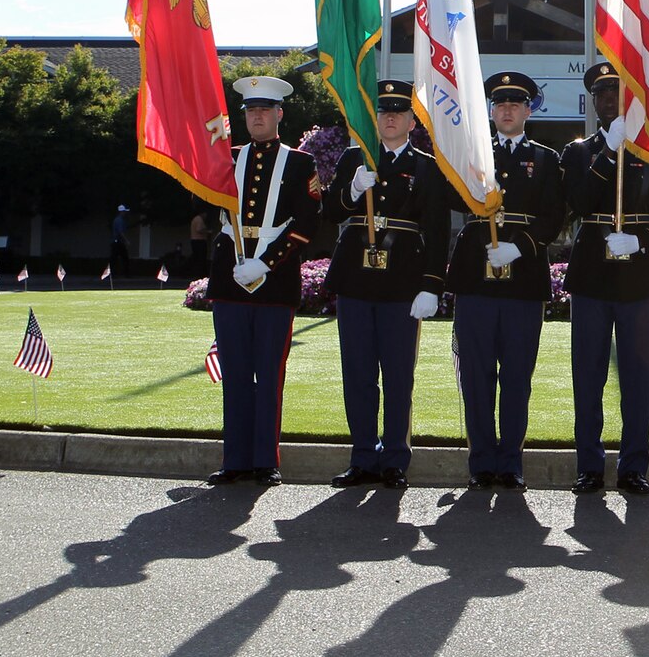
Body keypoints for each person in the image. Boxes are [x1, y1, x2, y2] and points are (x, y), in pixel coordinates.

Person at [560, 60, 649, 495]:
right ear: (593, 103)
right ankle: (589, 466)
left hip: (637, 275)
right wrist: (608, 155)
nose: (610, 101)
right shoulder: (577, 153)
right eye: (603, 95)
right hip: (592, 272)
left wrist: (644, 242)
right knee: (587, 375)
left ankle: (633, 467)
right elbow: (577, 201)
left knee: (636, 375)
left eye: (618, 93)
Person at [323, 79, 451, 490]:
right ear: (373, 118)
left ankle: (395, 458)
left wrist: (432, 284)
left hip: (402, 283)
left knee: (398, 376)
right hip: (356, 280)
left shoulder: (428, 166)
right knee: (357, 373)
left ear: (413, 121)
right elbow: (329, 211)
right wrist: (351, 188)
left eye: (398, 112)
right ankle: (363, 456)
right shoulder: (353, 158)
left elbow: (437, 228)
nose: (390, 117)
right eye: (383, 111)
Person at [445, 71, 568, 490]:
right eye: (500, 104)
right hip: (476, 275)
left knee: (517, 374)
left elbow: (556, 215)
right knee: (476, 374)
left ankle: (511, 461)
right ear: (491, 111)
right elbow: (447, 196)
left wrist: (523, 245)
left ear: (528, 110)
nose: (507, 110)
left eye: (515, 103)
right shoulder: (472, 155)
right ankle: (481, 462)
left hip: (522, 276)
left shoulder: (548, 159)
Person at [205, 75, 321, 487]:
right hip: (230, 279)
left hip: (274, 282)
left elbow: (307, 224)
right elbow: (202, 203)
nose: (257, 116)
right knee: (235, 372)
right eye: (251, 111)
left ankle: (264, 461)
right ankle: (234, 459)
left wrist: (267, 262)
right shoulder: (224, 158)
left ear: (279, 115)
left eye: (264, 110)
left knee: (269, 374)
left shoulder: (301, 163)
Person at [109, 204, 131, 276]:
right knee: (124, 258)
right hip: (118, 242)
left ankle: (114, 274)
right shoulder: (119, 220)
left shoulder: (117, 220)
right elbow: (120, 232)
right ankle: (125, 274)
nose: (125, 213)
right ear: (121, 212)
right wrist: (126, 241)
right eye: (124, 211)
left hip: (116, 242)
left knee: (115, 259)